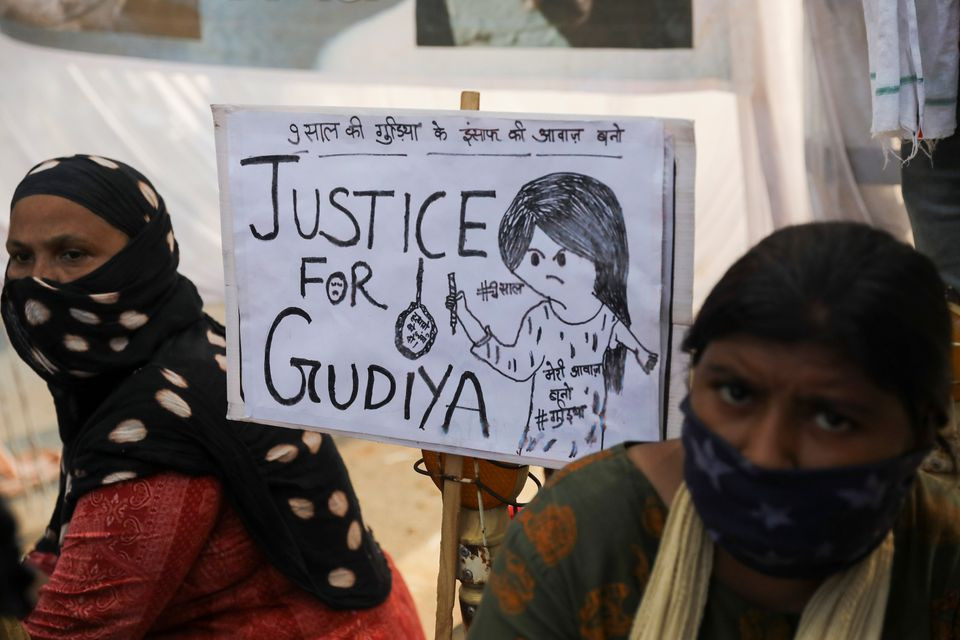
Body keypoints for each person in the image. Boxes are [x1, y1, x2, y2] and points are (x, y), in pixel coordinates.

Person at [468, 222, 960, 639]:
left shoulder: (944, 557)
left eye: (832, 419)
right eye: (737, 394)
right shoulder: (583, 538)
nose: (765, 453)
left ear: (921, 431)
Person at [1, 155, 425, 639]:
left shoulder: (158, 427)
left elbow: (64, 632)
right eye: (21, 255)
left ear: (140, 259)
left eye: (72, 254)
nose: (40, 282)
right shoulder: (175, 345)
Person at [446, 172, 657, 459]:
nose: (546, 270)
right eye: (533, 258)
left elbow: (621, 334)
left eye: (561, 257)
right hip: (541, 441)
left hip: (591, 447)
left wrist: (643, 354)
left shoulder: (602, 316)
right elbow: (517, 365)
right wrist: (466, 318)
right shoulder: (539, 319)